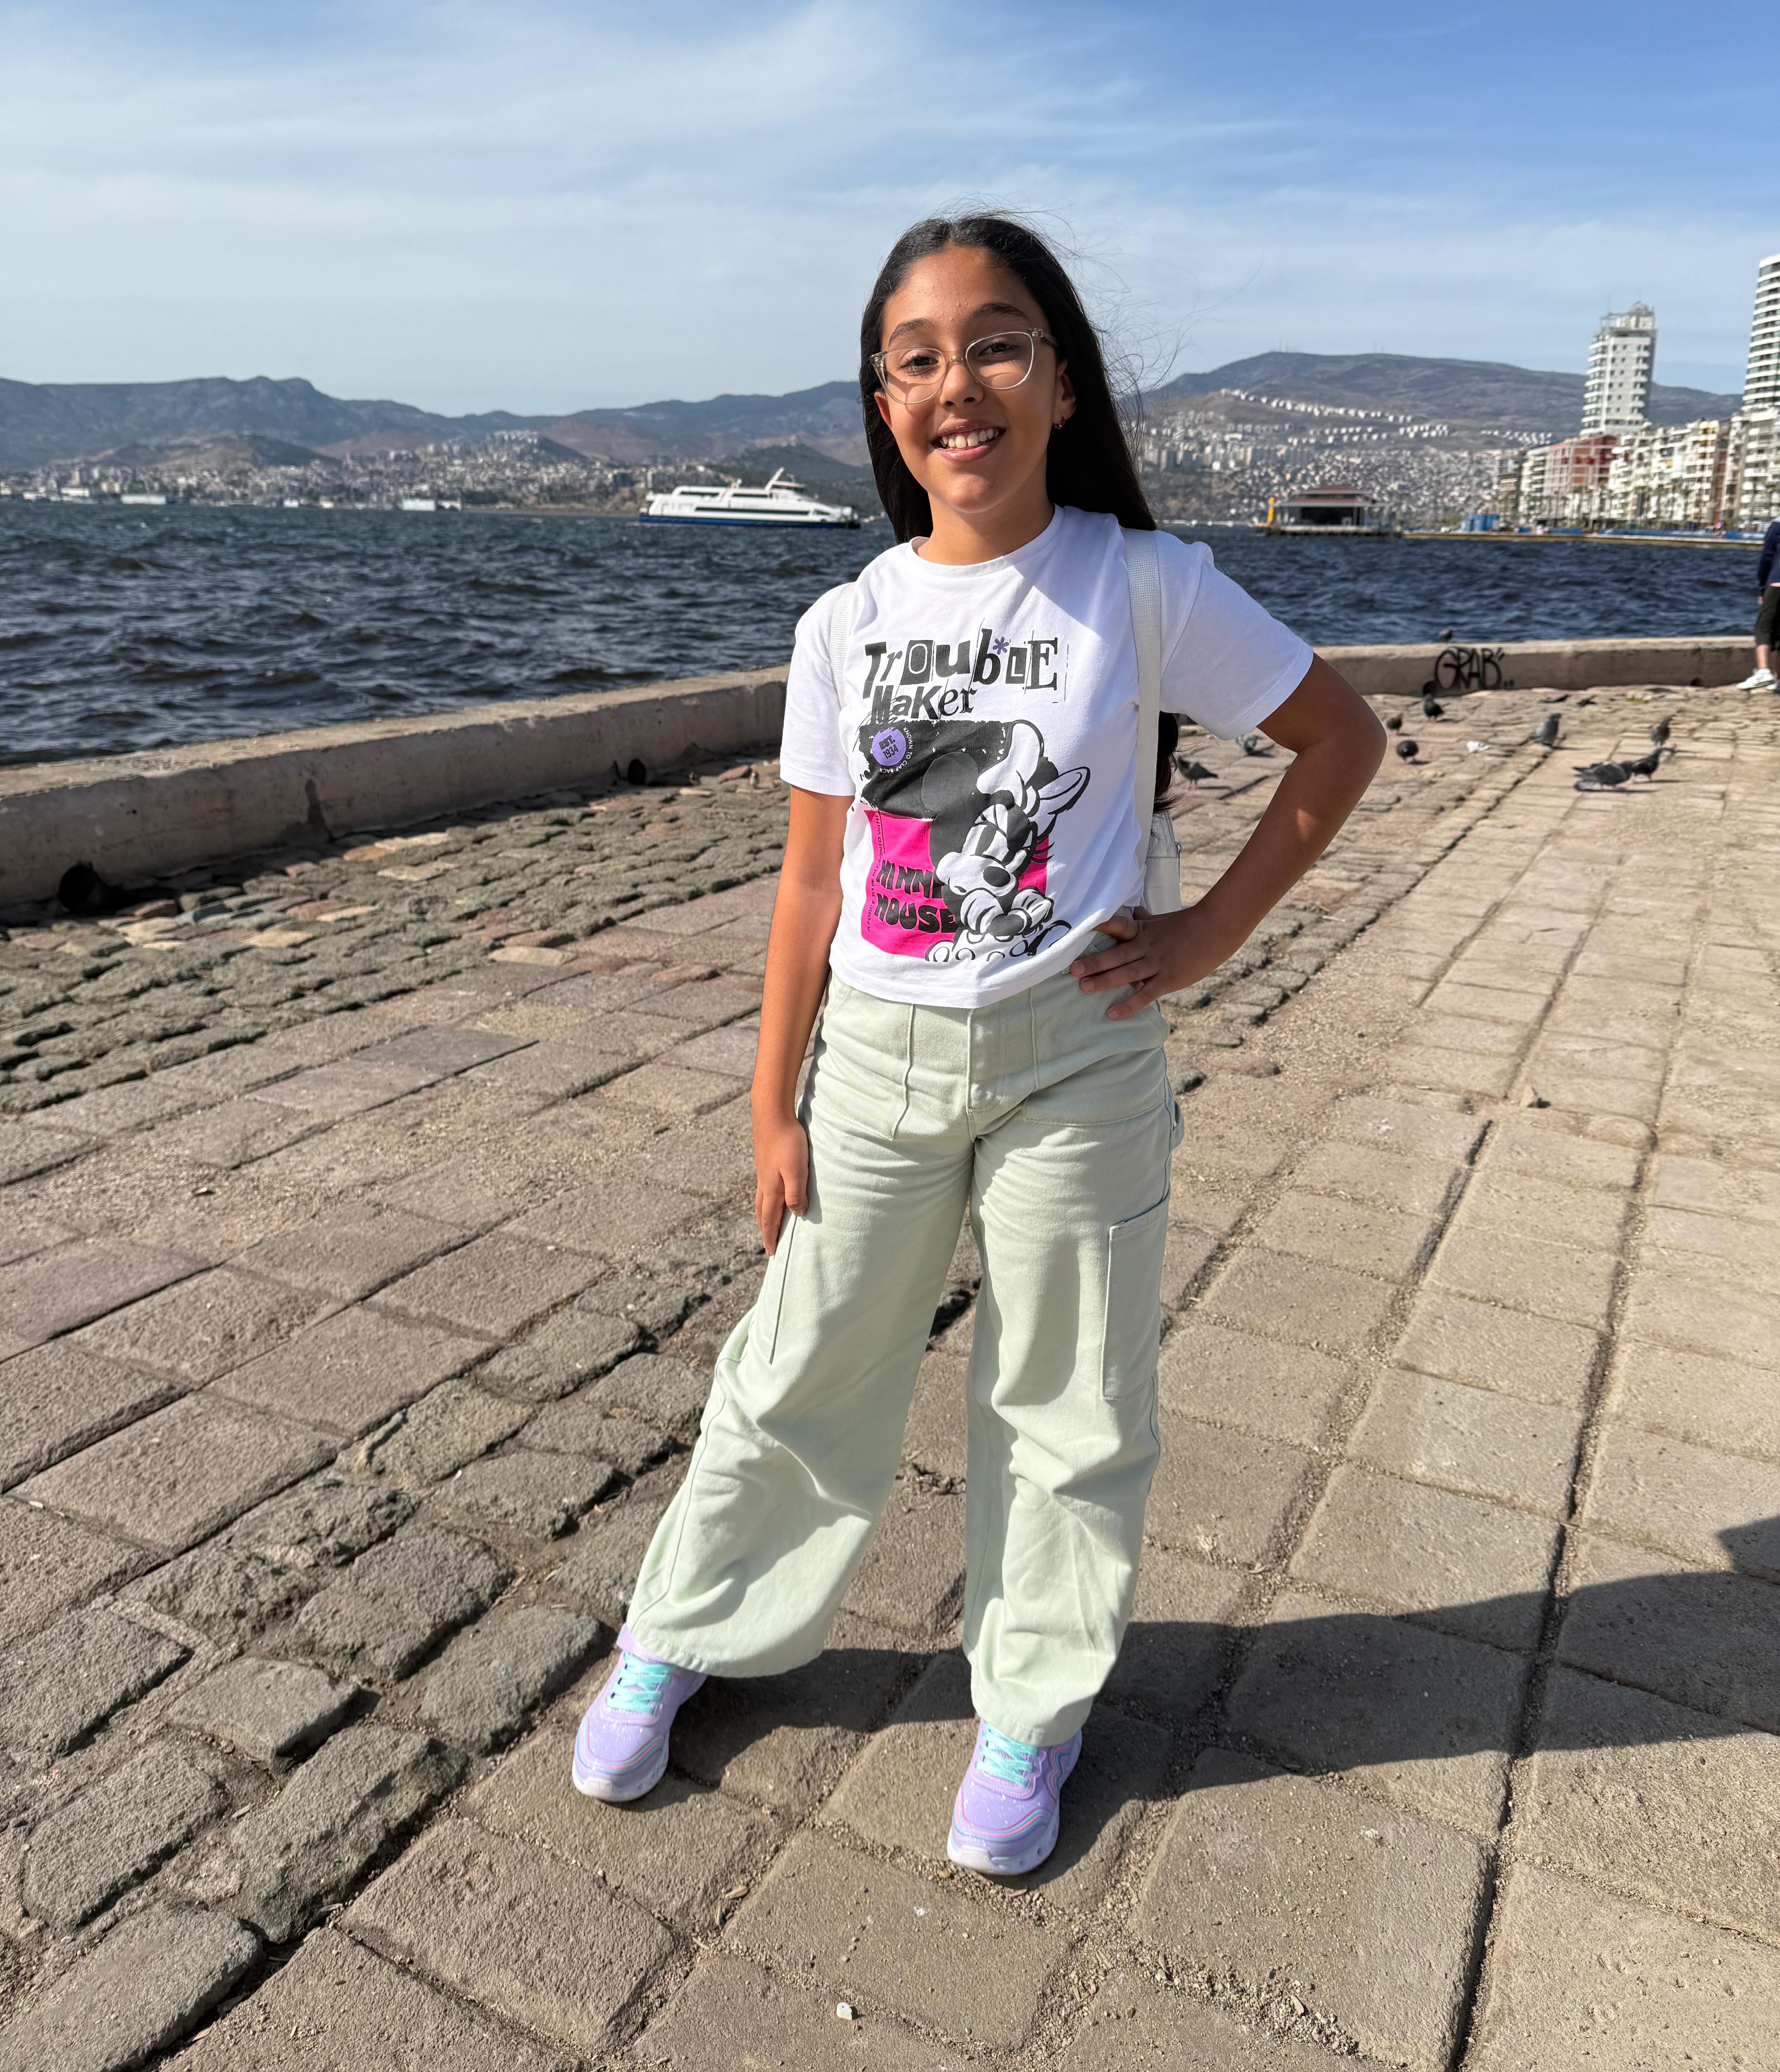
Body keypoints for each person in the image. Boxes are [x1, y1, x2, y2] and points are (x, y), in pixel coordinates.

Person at [570, 215, 1385, 1874]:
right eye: (919, 357)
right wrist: (771, 1103)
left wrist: (1207, 936)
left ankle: (1033, 1698)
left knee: (1070, 1394)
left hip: (1077, 1057)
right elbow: (813, 879)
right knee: (798, 1363)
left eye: (997, 343)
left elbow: (1337, 738)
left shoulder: (1143, 584)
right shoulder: (846, 619)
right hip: (875, 1055)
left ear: (1059, 382)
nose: (961, 383)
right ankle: (690, 1623)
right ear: (884, 405)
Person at [1737, 516, 1780, 690]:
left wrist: (1762, 588)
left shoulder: (1777, 527)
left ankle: (1763, 671)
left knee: (1764, 628)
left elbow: (1767, 559)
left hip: (1777, 584)